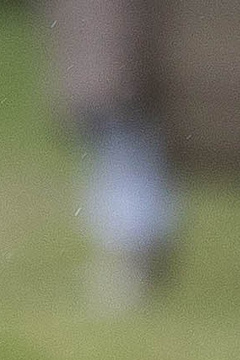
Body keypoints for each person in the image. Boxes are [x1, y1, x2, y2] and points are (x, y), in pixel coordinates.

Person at [49, 0, 177, 311]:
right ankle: (135, 242)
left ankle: (134, 243)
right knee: (121, 136)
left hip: (117, 75)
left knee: (124, 136)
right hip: (115, 72)